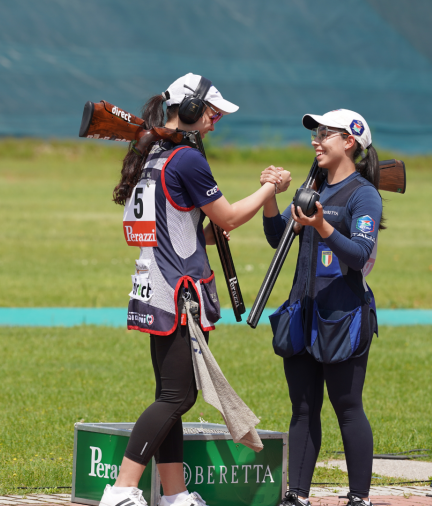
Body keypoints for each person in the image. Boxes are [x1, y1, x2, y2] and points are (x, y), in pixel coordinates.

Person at [98, 73, 291, 506]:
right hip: (176, 286)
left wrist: (206, 231)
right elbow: (228, 218)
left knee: (172, 395)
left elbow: (165, 224)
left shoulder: (151, 155)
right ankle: (124, 489)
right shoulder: (185, 159)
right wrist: (270, 188)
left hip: (154, 281)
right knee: (177, 396)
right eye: (211, 111)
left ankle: (175, 494)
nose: (216, 119)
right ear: (187, 110)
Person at [261, 109, 384, 506]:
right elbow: (277, 237)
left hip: (344, 314)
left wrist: (321, 226)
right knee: (302, 408)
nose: (316, 140)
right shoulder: (312, 187)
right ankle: (296, 495)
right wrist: (270, 199)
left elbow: (360, 252)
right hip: (303, 310)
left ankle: (359, 498)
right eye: (315, 133)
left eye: (326, 133)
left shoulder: (363, 194)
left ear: (350, 141)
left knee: (347, 407)